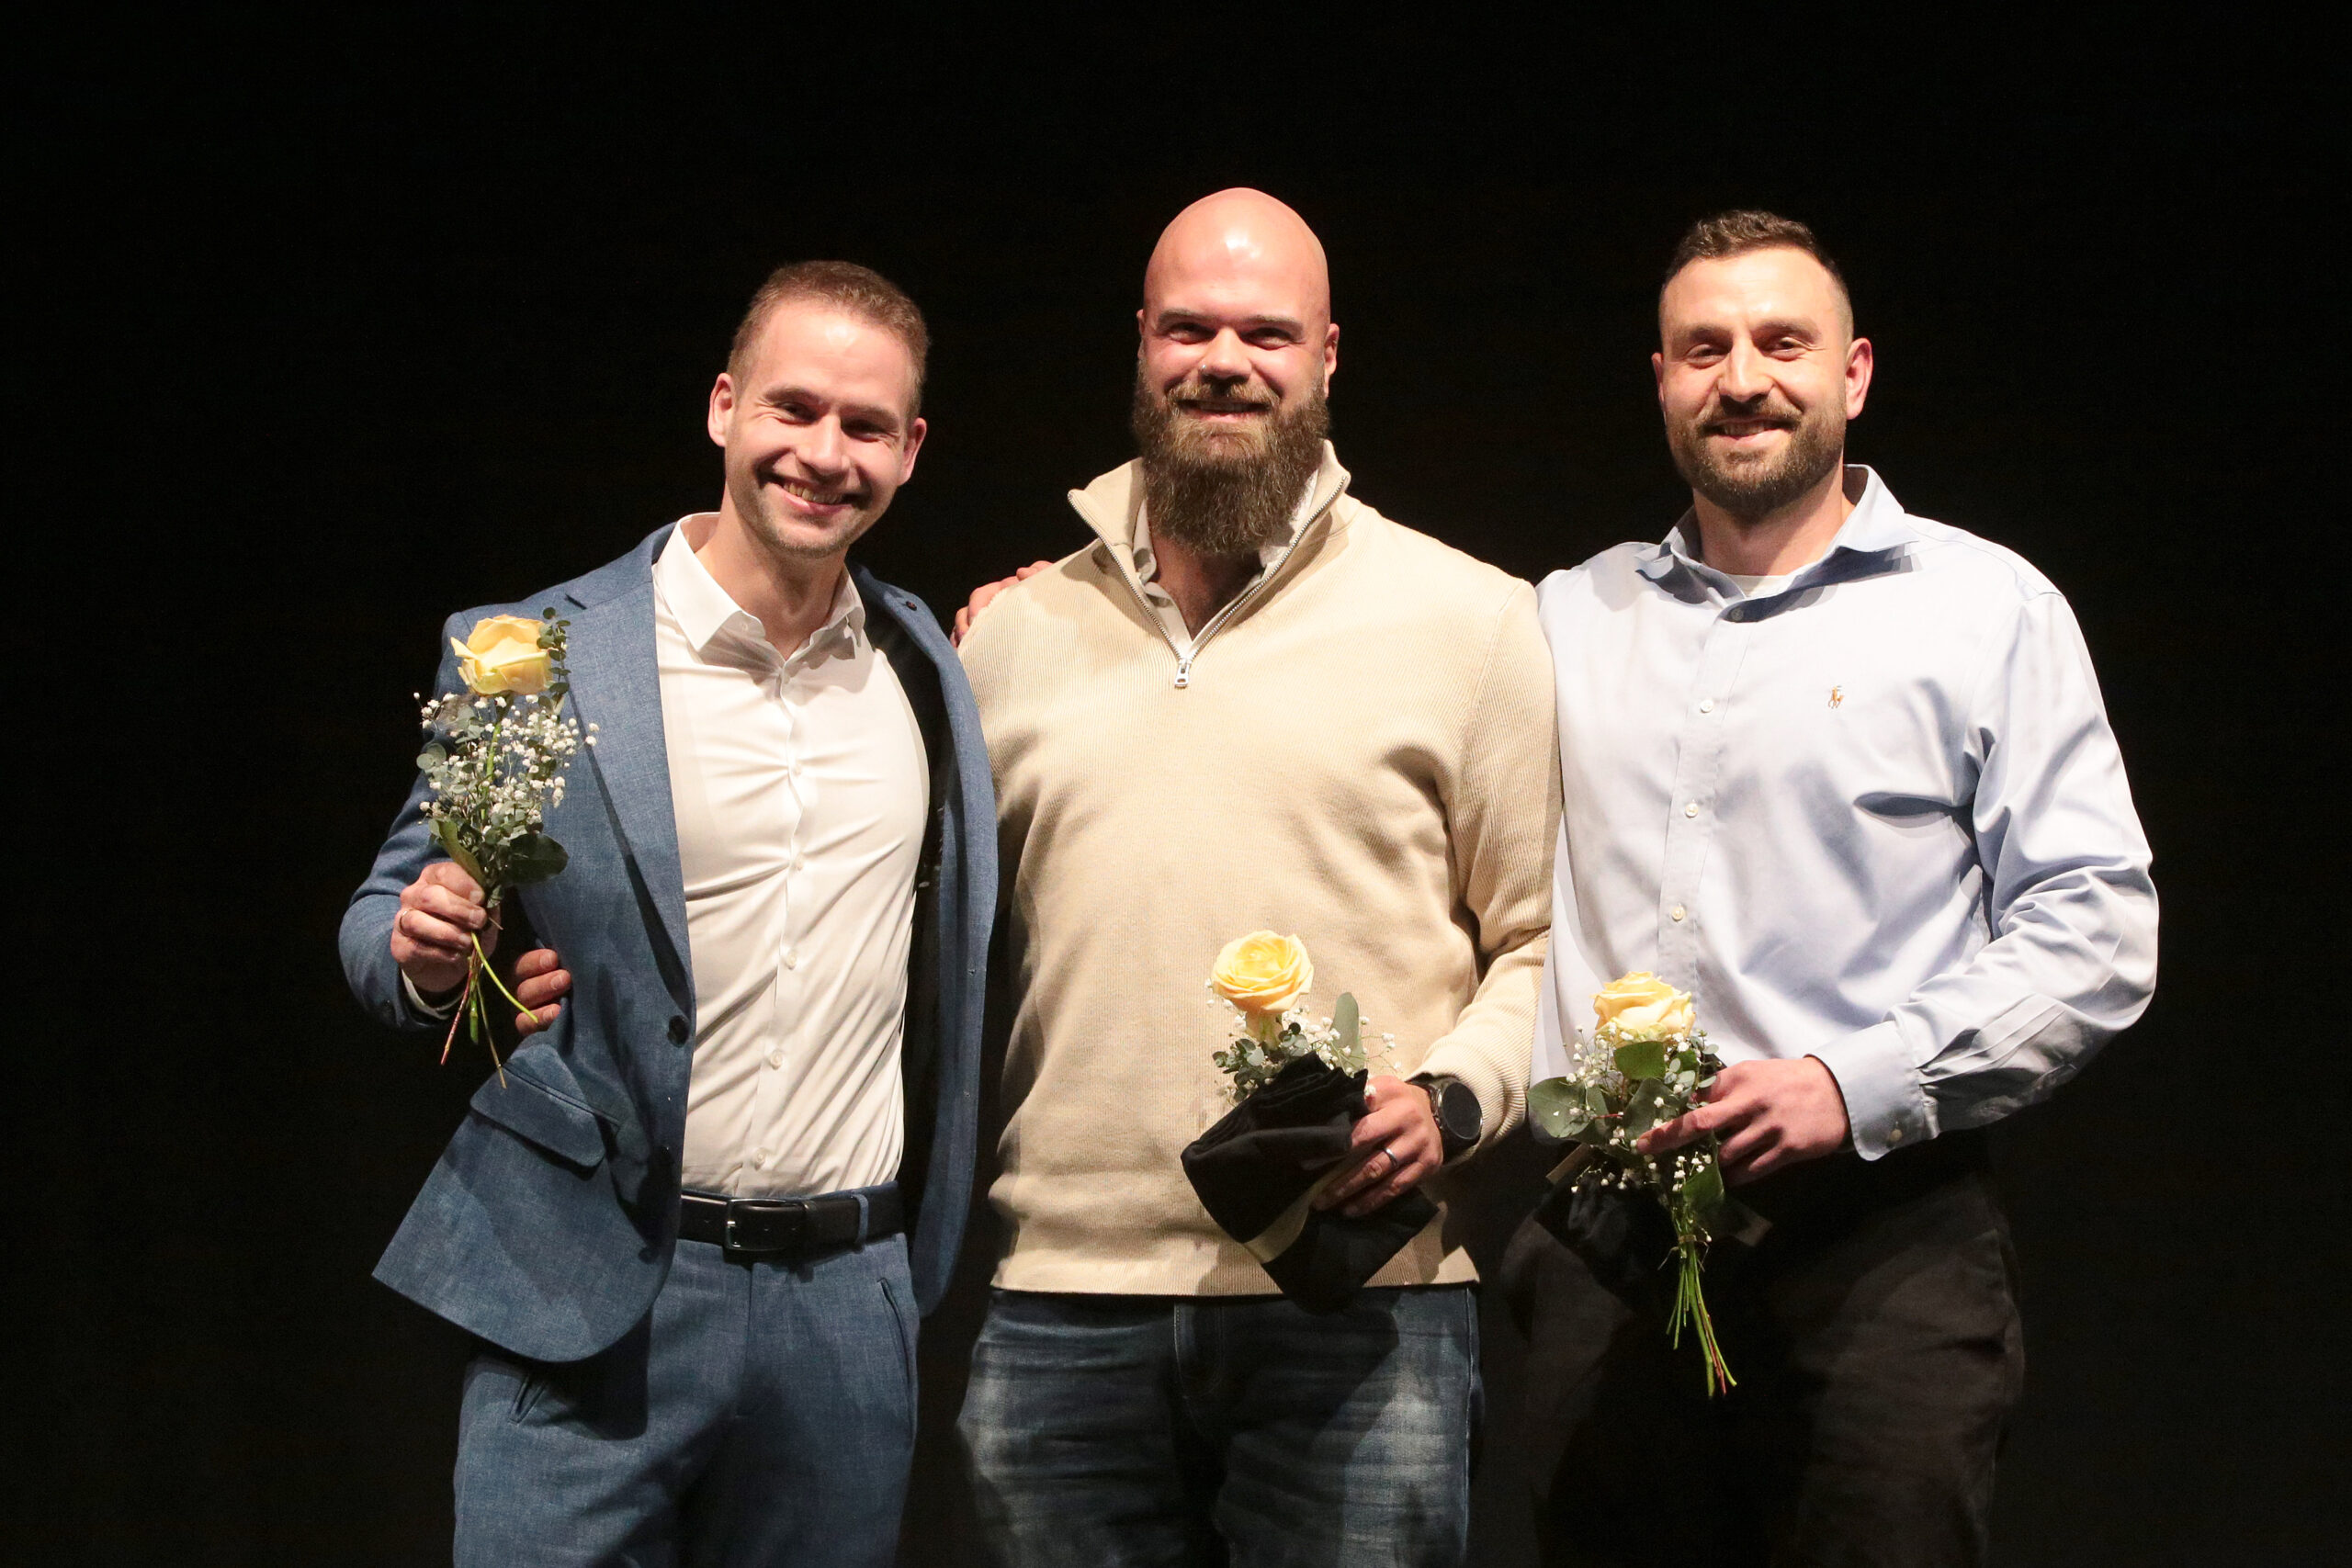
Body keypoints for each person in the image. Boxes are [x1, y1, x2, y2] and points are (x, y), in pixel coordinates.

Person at [1504, 210, 2159, 1567]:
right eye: (1704, 350)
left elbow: (2097, 926)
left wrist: (1851, 1084)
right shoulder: (1564, 618)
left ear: (1853, 374)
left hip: (1883, 1241)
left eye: (1782, 344)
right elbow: (1363, 672)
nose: (1742, 379)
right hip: (1614, 1243)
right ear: (1662, 382)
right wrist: (1101, 590)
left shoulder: (1984, 610)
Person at [339, 260, 995, 1567]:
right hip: (593, 1285)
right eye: (792, 408)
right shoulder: (540, 653)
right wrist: (427, 955)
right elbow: (381, 920)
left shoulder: (928, 666)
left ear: (911, 450)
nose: (824, 454)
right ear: (723, 407)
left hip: (844, 1305)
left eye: (865, 426)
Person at [949, 188, 1557, 1567]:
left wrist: (1452, 1101)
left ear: (1327, 355)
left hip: (1362, 1299)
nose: (1225, 361)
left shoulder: (1472, 621)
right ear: (1142, 343)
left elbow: (1544, 942)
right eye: (1190, 329)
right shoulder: (1011, 637)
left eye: (1266, 333)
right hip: (1064, 1306)